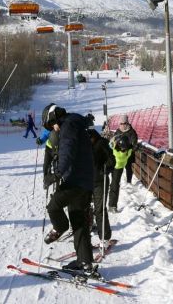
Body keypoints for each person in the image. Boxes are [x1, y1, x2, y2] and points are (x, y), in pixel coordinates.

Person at [41, 103, 97, 276]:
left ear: (55, 117)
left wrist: (56, 174)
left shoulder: (69, 125)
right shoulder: (74, 123)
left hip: (77, 180)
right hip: (83, 180)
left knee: (54, 205)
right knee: (79, 221)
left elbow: (68, 150)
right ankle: (85, 262)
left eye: (52, 125)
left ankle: (60, 227)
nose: (54, 129)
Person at [88, 129, 115, 242]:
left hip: (100, 181)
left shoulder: (102, 143)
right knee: (84, 207)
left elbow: (112, 160)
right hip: (87, 181)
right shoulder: (84, 145)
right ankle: (87, 232)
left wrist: (106, 168)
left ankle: (105, 237)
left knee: (99, 210)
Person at [108, 133, 134, 213]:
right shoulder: (117, 146)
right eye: (122, 148)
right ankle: (111, 204)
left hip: (118, 166)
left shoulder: (125, 151)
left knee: (115, 184)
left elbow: (120, 156)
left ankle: (112, 205)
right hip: (113, 163)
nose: (123, 150)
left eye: (124, 149)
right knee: (112, 184)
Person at [113, 114, 139, 183]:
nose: (122, 125)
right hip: (119, 153)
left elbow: (134, 141)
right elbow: (114, 139)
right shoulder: (118, 131)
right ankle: (116, 181)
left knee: (128, 167)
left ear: (127, 123)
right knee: (118, 166)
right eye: (121, 123)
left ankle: (128, 181)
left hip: (128, 153)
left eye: (124, 123)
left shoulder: (131, 131)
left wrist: (132, 148)